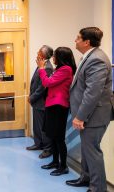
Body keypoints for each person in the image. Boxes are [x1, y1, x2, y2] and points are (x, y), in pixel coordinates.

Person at [66, 27, 112, 192]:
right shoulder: (89, 57)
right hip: (89, 115)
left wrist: (80, 116)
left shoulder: (97, 59)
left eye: (78, 38)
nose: (75, 41)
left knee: (92, 152)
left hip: (94, 115)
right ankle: (86, 178)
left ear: (87, 42)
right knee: (87, 149)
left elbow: (92, 93)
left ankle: (98, 188)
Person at [38, 47, 76, 176]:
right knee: (52, 135)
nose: (53, 58)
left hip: (59, 105)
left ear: (61, 57)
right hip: (52, 104)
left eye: (55, 56)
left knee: (59, 138)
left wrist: (41, 69)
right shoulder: (59, 69)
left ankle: (63, 166)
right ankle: (55, 162)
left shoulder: (66, 69)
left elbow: (47, 83)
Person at [26, 45, 54, 159]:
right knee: (37, 126)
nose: (37, 52)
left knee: (43, 128)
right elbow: (35, 83)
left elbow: (42, 87)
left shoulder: (47, 67)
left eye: (39, 51)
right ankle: (38, 144)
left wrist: (32, 97)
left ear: (42, 55)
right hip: (36, 101)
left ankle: (47, 149)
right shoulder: (41, 65)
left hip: (41, 102)